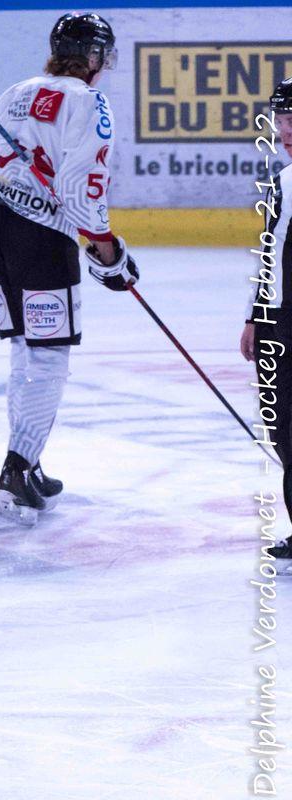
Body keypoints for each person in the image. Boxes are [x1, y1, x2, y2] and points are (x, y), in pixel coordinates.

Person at [0, 12, 139, 525]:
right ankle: (17, 467)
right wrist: (106, 247)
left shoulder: (16, 91)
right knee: (49, 360)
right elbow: (80, 182)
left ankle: (30, 457)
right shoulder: (88, 102)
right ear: (93, 57)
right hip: (40, 238)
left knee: (25, 352)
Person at [242, 78, 292, 561]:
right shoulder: (281, 181)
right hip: (279, 322)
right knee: (284, 432)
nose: (286, 129)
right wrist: (256, 316)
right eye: (280, 120)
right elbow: (270, 254)